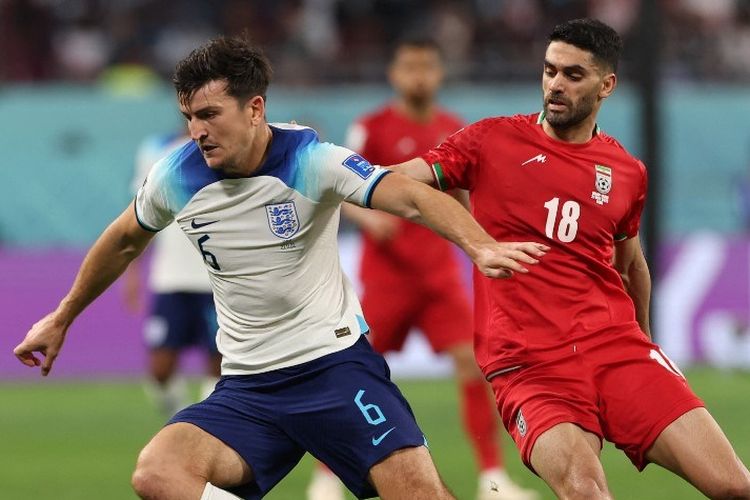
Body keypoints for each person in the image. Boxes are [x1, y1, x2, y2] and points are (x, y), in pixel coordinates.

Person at [13, 35, 549, 500]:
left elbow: (409, 196)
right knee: (159, 474)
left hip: (334, 369)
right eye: (190, 117)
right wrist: (63, 316)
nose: (197, 131)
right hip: (248, 387)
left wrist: (478, 246)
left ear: (254, 109)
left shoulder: (312, 160)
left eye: (210, 114)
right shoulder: (175, 175)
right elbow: (124, 239)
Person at [389, 18, 750, 500]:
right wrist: (474, 240)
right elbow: (395, 181)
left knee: (735, 486)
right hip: (529, 365)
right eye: (549, 70)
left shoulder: (626, 171)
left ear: (607, 85)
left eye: (573, 75)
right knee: (586, 492)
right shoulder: (489, 141)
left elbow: (631, 265)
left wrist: (647, 346)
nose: (555, 84)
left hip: (617, 350)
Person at [307, 37, 537, 500]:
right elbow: (338, 188)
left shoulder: (453, 130)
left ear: (439, 74)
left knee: (472, 367)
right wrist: (369, 219)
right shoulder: (369, 127)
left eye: (426, 67)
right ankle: (327, 476)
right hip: (387, 279)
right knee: (349, 373)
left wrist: (483, 241)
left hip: (437, 278)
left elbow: (462, 199)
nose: (418, 76)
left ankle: (494, 478)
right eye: (409, 67)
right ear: (394, 74)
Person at [123, 131, 221, 417]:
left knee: (219, 367)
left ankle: (208, 430)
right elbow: (140, 215)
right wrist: (132, 271)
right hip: (170, 279)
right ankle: (181, 421)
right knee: (160, 369)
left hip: (217, 279)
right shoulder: (156, 149)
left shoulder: (231, 147)